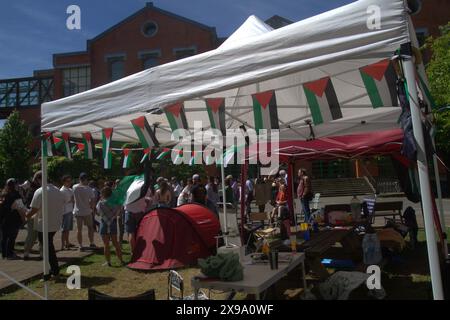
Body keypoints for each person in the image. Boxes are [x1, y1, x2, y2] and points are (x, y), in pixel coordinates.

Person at [26, 178, 65, 277]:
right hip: (55, 223)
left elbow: (34, 209)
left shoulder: (40, 191)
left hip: (44, 224)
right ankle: (53, 269)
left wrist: (26, 215)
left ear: (40, 179)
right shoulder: (57, 190)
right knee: (48, 246)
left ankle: (53, 270)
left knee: (47, 248)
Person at [96, 187, 124, 266]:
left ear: (103, 194)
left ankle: (108, 262)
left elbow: (98, 213)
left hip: (104, 223)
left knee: (106, 244)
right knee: (115, 243)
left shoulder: (100, 203)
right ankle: (121, 260)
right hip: (113, 223)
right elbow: (119, 211)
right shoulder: (115, 202)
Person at [124, 177, 153, 253]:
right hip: (139, 212)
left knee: (131, 233)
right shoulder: (146, 188)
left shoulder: (130, 188)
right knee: (141, 232)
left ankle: (133, 252)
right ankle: (140, 250)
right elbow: (149, 199)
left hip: (129, 211)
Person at [0, 179, 24, 260]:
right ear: (14, 185)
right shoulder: (16, 195)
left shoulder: (3, 194)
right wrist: (23, 219)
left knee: (4, 237)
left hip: (3, 218)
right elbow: (21, 208)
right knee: (12, 237)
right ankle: (10, 253)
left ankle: (4, 254)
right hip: (13, 218)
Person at [73, 173, 96, 249]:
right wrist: (92, 209)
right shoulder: (89, 189)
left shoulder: (74, 187)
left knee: (79, 230)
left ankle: (80, 245)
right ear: (86, 180)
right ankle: (92, 242)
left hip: (77, 211)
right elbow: (93, 201)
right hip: (87, 211)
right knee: (90, 228)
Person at [23, 171, 42, 260]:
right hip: (34, 214)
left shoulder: (34, 188)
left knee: (38, 235)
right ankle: (26, 252)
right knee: (33, 235)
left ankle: (41, 253)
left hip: (36, 214)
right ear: (38, 179)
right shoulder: (34, 190)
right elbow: (31, 205)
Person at [60, 175, 75, 251]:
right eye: (67, 181)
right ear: (64, 182)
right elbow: (63, 202)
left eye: (70, 181)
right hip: (65, 211)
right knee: (64, 229)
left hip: (70, 210)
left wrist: (72, 200)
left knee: (68, 229)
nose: (69, 183)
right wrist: (71, 200)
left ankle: (67, 243)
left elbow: (73, 199)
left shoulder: (70, 189)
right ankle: (63, 245)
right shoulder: (62, 190)